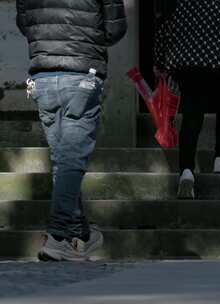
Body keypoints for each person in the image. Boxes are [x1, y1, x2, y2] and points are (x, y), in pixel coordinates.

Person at [16, 0, 127, 261]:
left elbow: (24, 24)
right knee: (71, 159)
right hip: (82, 73)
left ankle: (81, 235)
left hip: (42, 74)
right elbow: (115, 29)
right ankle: (57, 236)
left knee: (63, 159)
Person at [154, 0, 220, 199]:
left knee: (192, 114)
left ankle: (186, 170)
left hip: (188, 62)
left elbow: (164, 31)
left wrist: (160, 61)